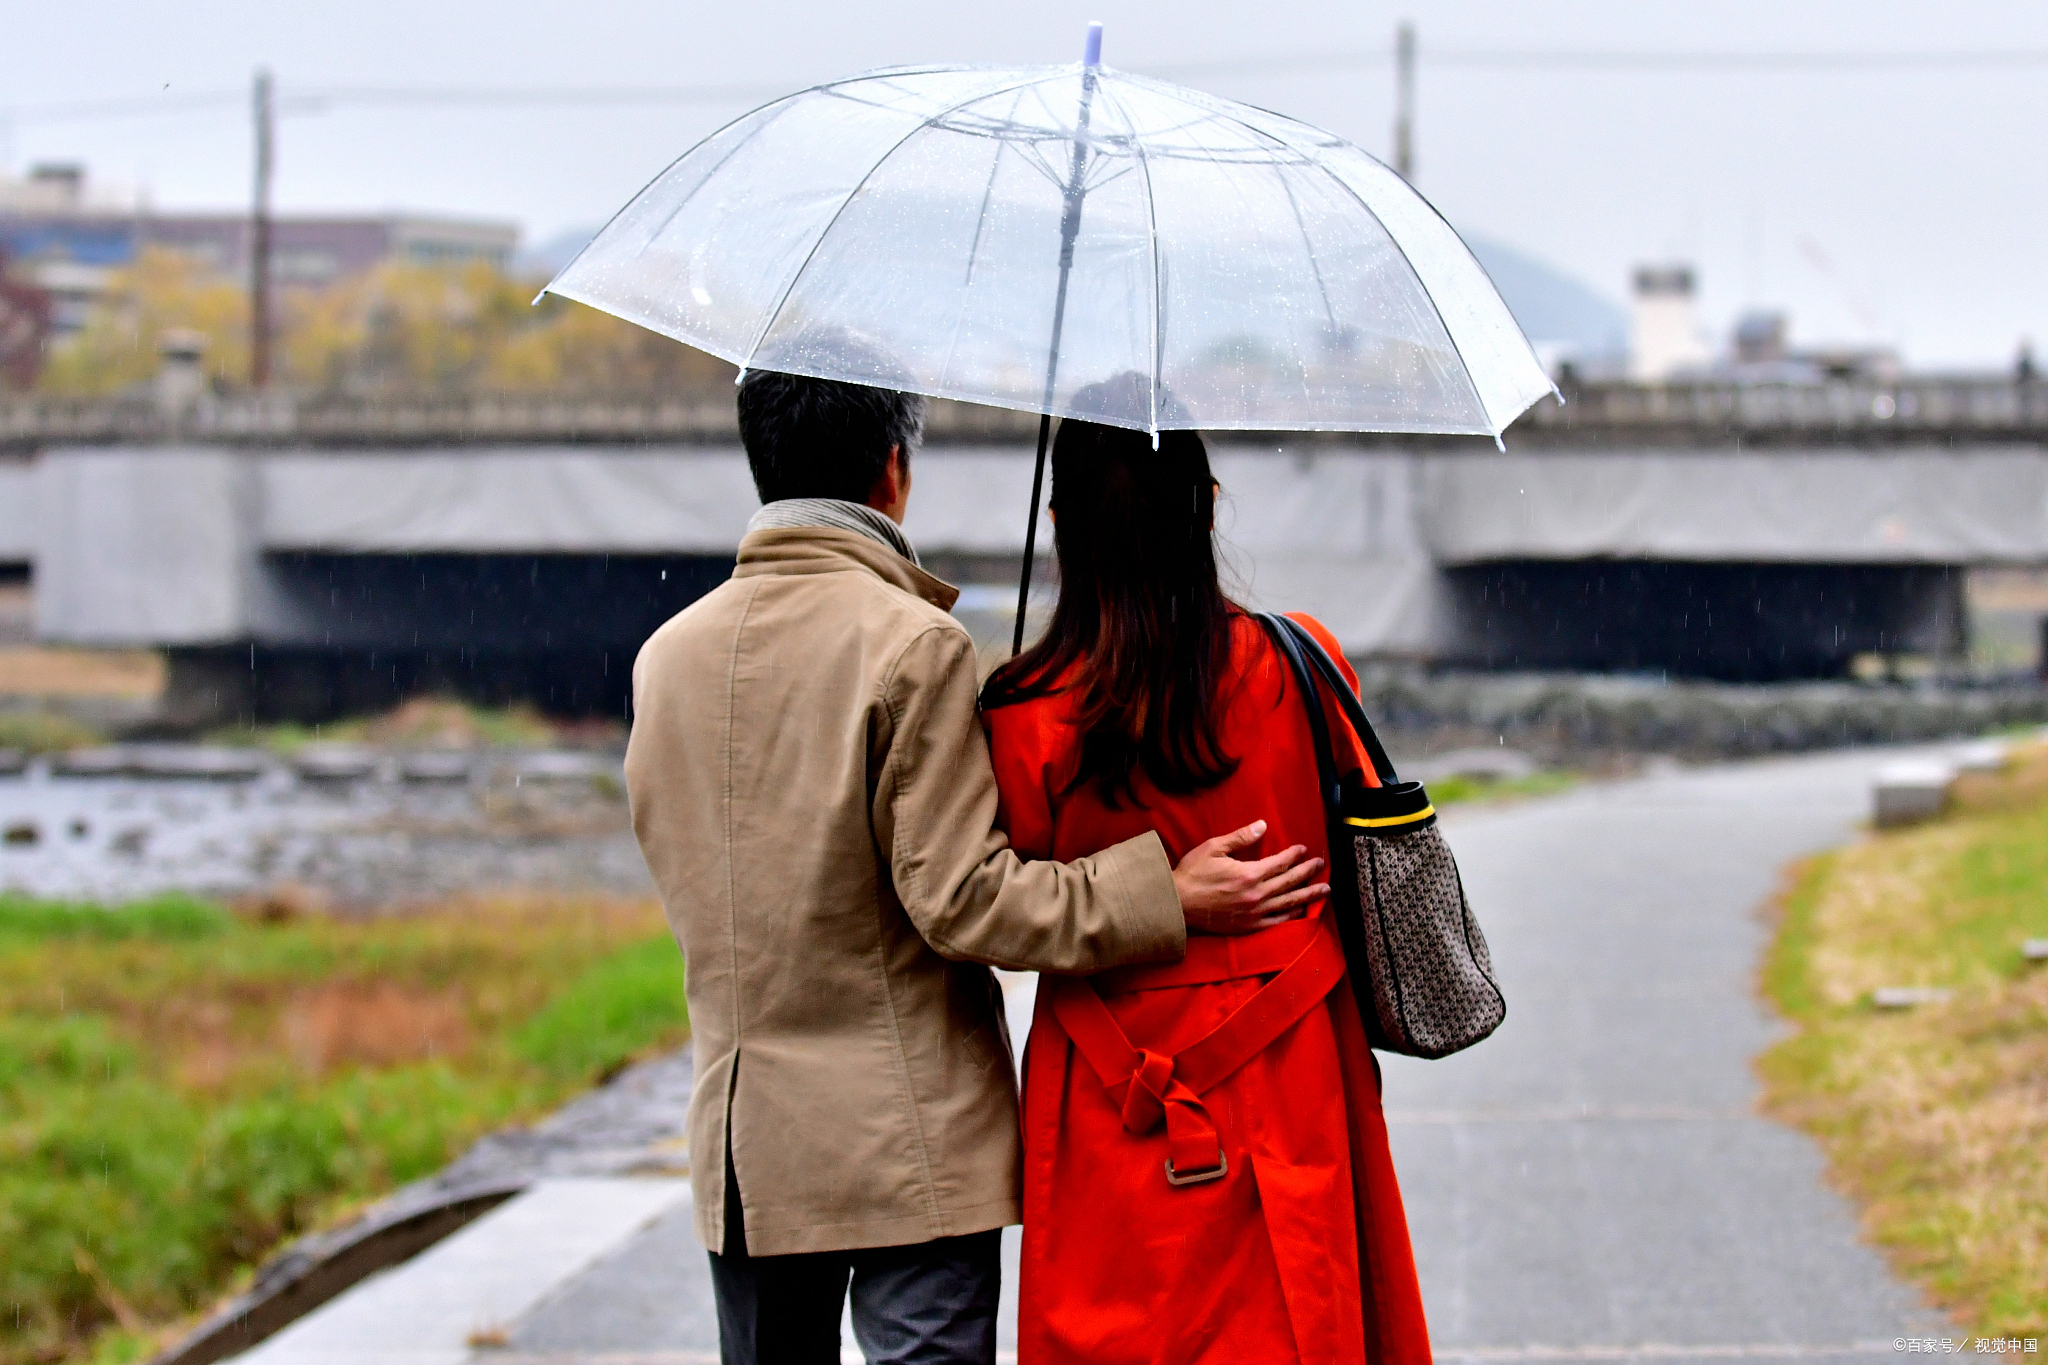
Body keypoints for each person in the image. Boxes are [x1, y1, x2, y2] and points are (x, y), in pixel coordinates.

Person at [624, 368, 1329, 1365]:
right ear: (893, 471)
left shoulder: (665, 658)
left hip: (748, 1145)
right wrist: (1159, 893)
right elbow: (963, 902)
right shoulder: (911, 645)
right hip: (910, 1137)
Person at [981, 416, 1433, 1365]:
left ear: (1059, 526)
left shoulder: (1022, 713)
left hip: (1111, 1083)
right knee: (1294, 1323)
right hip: (1292, 1065)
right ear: (1210, 509)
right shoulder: (1302, 661)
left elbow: (1005, 898)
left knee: (1114, 1332)